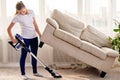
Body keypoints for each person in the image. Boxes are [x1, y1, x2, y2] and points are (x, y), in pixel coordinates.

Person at [7, 1, 42, 79]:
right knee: (23, 56)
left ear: (25, 7)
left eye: (23, 11)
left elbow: (35, 24)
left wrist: (39, 34)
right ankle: (23, 74)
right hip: (25, 39)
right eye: (19, 12)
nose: (22, 13)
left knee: (34, 55)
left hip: (34, 37)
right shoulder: (17, 17)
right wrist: (12, 39)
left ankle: (35, 72)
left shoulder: (31, 12)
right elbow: (8, 29)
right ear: (17, 11)